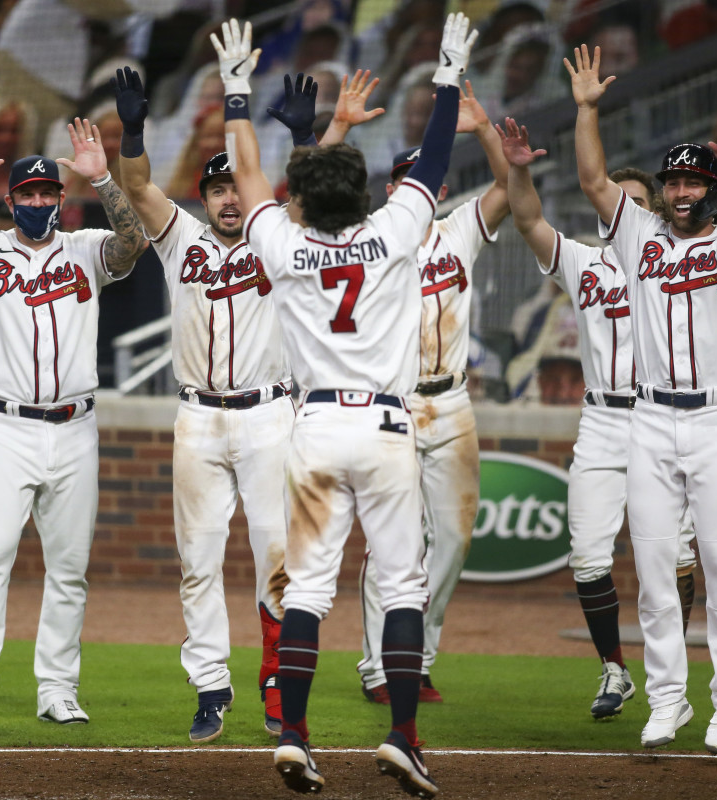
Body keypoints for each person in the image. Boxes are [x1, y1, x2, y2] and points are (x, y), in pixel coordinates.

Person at [213, 13, 476, 796]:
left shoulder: (285, 243)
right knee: (401, 587)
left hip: (317, 425)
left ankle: (295, 735)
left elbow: (249, 173)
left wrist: (236, 89)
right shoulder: (395, 231)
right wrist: (448, 75)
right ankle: (403, 736)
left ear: (300, 197)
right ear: (364, 195)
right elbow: (435, 157)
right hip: (389, 425)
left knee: (308, 590)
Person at [569, 44, 717, 753]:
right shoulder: (639, 237)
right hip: (649, 418)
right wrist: (586, 109)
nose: (678, 192)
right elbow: (592, 178)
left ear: (711, 188)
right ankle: (667, 699)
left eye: (691, 182)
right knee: (653, 568)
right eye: (671, 181)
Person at [499, 115, 717, 718]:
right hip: (600, 419)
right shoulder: (584, 263)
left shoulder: (673, 256)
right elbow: (529, 221)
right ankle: (615, 669)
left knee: (678, 555)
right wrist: (517, 171)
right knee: (588, 554)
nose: (630, 210)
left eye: (640, 202)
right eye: (624, 202)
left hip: (657, 414)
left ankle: (672, 675)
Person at [0, 116, 148, 728]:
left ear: (61, 199)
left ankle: (58, 688)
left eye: (48, 194)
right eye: (29, 194)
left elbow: (135, 244)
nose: (39, 203)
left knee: (69, 569)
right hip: (4, 426)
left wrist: (104, 181)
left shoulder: (86, 247)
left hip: (75, 428)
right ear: (12, 198)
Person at [111, 65, 292, 745]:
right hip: (197, 416)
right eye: (217, 189)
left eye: (236, 187)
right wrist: (133, 131)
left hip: (270, 413)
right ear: (204, 196)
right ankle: (211, 685)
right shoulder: (181, 237)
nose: (228, 199)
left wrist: (306, 139)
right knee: (198, 558)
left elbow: (311, 195)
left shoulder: (277, 237)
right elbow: (136, 187)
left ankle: (277, 680)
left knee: (278, 557)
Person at [318, 79, 510, 707]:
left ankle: (420, 657)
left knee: (452, 540)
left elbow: (510, 187)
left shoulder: (459, 231)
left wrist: (485, 130)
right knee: (390, 539)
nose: (411, 189)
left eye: (419, 180)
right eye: (402, 181)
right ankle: (379, 667)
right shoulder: (374, 239)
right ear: (391, 191)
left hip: (450, 402)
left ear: (439, 190)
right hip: (395, 401)